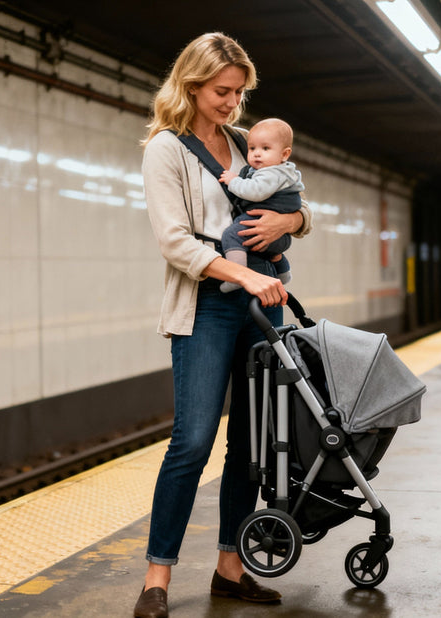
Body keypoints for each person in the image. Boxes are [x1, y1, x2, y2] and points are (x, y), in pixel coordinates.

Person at [136, 32, 312, 618]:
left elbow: (298, 206)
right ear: (191, 84)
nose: (233, 104)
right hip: (209, 302)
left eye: (239, 93)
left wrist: (289, 222)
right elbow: (174, 242)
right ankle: (156, 579)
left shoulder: (246, 143)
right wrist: (242, 277)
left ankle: (229, 568)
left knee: (253, 443)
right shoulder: (166, 149)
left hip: (263, 303)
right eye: (222, 92)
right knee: (193, 439)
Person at [217, 117, 304, 293]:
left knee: (232, 235)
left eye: (265, 149)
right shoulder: (285, 171)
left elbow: (255, 191)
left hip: (266, 221)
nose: (257, 153)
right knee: (269, 251)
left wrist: (234, 181)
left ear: (285, 154)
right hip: (279, 238)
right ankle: (283, 272)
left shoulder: (270, 173)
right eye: (252, 148)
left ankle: (237, 276)